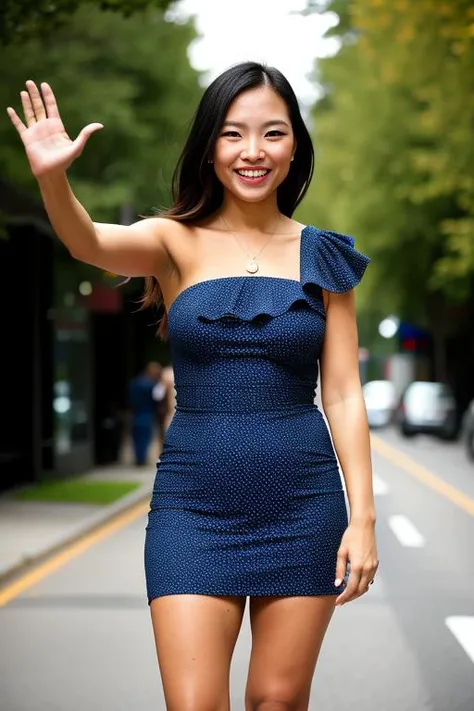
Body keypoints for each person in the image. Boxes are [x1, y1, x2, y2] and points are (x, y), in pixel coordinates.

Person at [7, 62, 378, 710]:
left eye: (273, 133)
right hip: (193, 509)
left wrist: (364, 518)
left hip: (303, 504)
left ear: (296, 145)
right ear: (210, 145)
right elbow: (88, 241)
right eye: (234, 133)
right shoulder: (173, 241)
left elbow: (344, 392)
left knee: (277, 701)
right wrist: (53, 179)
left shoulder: (323, 255)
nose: (253, 151)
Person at [129, 361, 163, 466]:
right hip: (146, 414)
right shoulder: (150, 386)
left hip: (136, 414)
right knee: (144, 438)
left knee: (137, 438)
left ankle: (139, 458)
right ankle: (141, 459)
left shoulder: (135, 382)